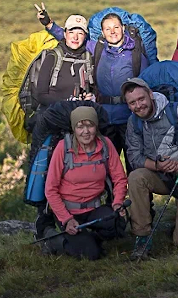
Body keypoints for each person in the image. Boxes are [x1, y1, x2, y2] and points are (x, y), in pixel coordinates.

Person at [38, 7, 149, 160]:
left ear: (123, 28)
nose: (112, 32)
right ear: (102, 32)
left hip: (130, 119)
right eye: (108, 29)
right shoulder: (97, 48)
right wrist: (49, 24)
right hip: (104, 119)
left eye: (116, 27)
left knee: (135, 163)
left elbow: (146, 84)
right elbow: (73, 39)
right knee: (105, 166)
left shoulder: (137, 55)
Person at [122, 78, 178, 255]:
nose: (138, 105)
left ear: (150, 95)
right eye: (132, 102)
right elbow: (134, 157)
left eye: (141, 99)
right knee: (136, 177)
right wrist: (158, 166)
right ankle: (142, 237)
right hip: (162, 177)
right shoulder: (133, 123)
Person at [41, 106, 127, 260]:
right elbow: (50, 189)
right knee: (91, 254)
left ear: (96, 127)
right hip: (68, 211)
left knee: (117, 224)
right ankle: (53, 240)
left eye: (90, 125)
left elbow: (119, 178)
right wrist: (67, 220)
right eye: (80, 126)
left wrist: (117, 203)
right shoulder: (63, 148)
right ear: (74, 129)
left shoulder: (105, 145)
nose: (86, 131)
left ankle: (88, 238)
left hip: (94, 208)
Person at [25, 14, 98, 134]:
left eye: (80, 33)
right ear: (65, 34)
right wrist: (68, 103)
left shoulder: (89, 59)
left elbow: (93, 89)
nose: (75, 37)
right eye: (71, 32)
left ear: (85, 36)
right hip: (51, 120)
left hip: (79, 124)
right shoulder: (53, 57)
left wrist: (91, 98)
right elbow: (41, 95)